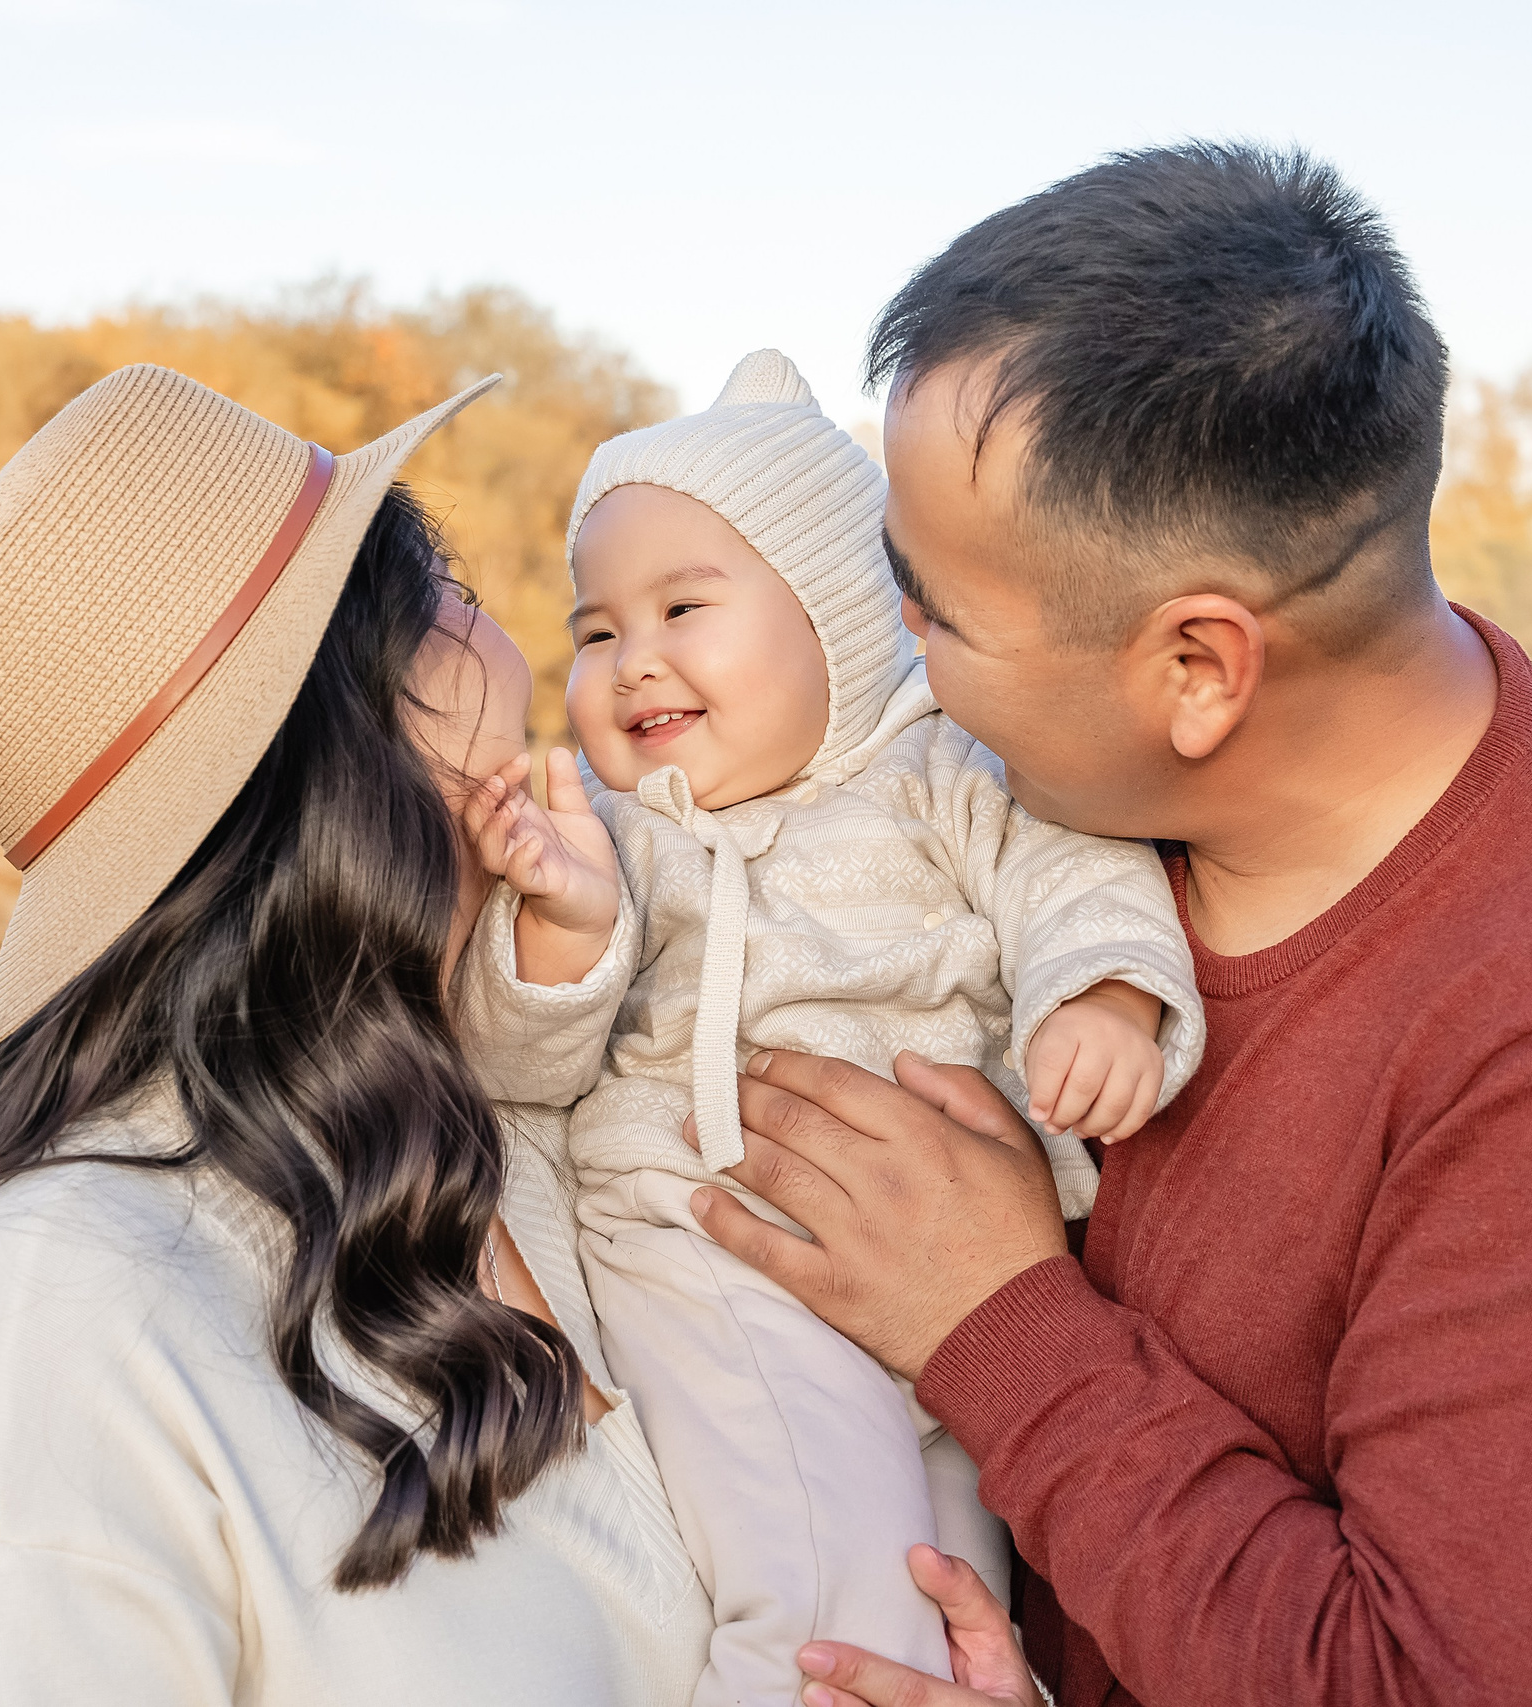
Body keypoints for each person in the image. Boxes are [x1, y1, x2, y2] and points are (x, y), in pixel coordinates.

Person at [684, 145, 1532, 1707]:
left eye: (933, 608)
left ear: (1201, 669)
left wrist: (994, 1317)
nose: (897, 653)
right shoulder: (1045, 824)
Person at [0, 365, 726, 1703]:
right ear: (356, 740)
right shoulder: (40, 1329)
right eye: (457, 596)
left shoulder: (525, 1101)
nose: (525, 655)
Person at [450, 348, 1204, 1707]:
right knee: (829, 1603)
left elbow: (1074, 874)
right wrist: (562, 930)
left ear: (842, 615)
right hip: (714, 1237)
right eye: (597, 630)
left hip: (940, 1270)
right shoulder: (627, 836)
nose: (635, 661)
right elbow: (528, 1073)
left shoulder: (943, 771)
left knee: (959, 1603)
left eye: (685, 606)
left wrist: (1100, 990)